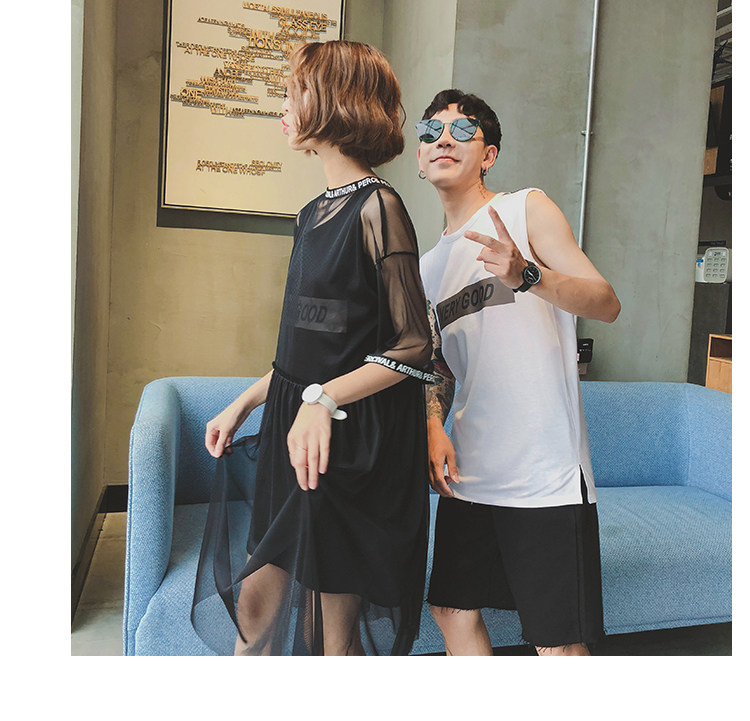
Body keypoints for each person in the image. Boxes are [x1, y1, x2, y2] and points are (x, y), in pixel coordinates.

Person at [191, 41, 434, 656]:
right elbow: (309, 346)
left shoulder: (380, 207)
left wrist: (323, 400)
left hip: (344, 443)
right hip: (292, 430)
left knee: (331, 635)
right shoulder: (309, 214)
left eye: (293, 92)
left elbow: (415, 345)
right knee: (255, 608)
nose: (284, 106)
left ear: (331, 101)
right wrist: (246, 402)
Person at [416, 89, 621, 656]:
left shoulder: (526, 209)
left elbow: (606, 302)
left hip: (544, 472)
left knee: (557, 643)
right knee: (451, 609)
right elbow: (439, 364)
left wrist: (527, 274)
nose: (443, 140)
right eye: (431, 131)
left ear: (489, 155)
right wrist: (432, 425)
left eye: (463, 130)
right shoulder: (426, 268)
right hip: (472, 470)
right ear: (419, 157)